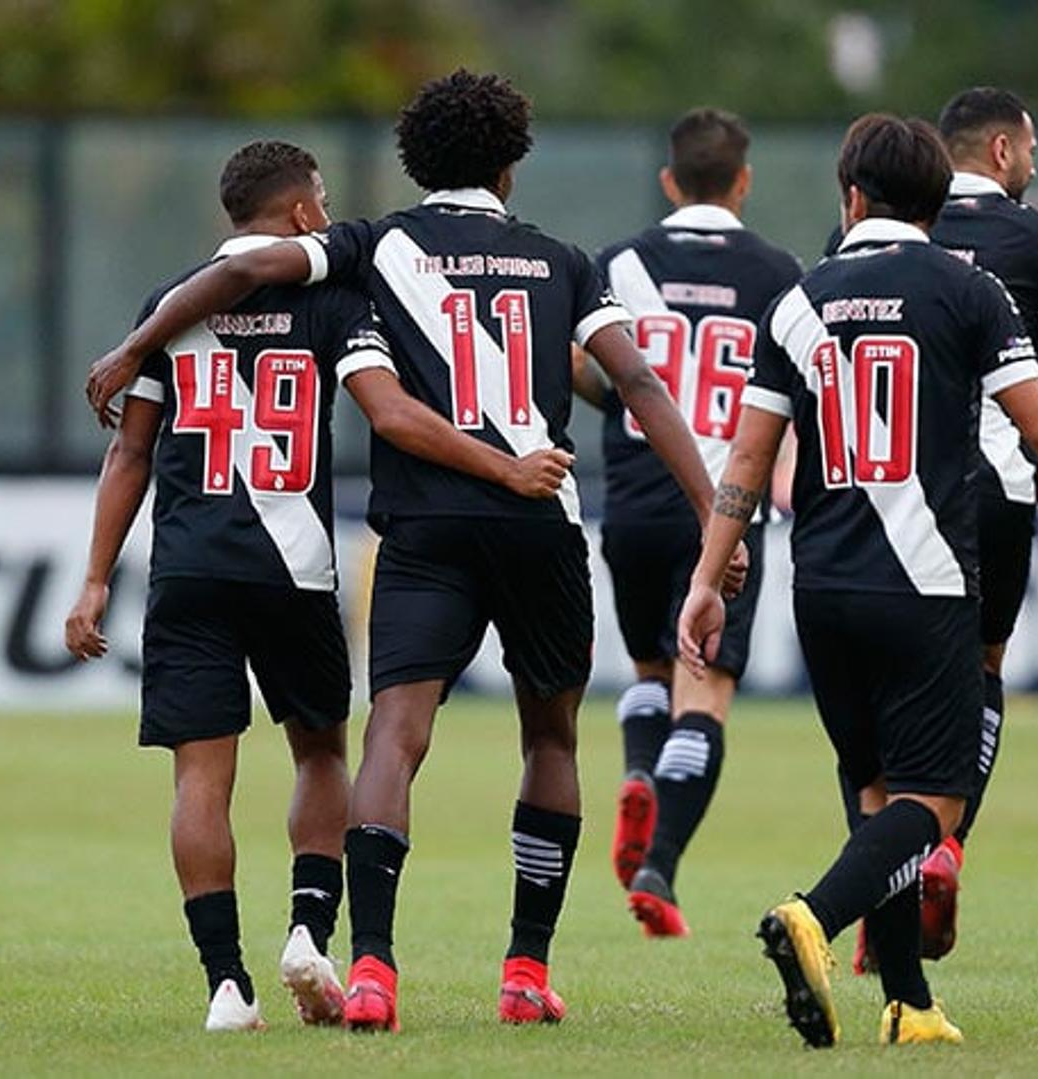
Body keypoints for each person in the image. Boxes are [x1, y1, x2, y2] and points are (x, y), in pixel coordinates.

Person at [82, 71, 728, 1031]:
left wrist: (135, 345)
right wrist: (717, 512)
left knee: (394, 732)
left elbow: (248, 269)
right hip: (536, 519)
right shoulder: (563, 260)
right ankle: (525, 969)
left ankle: (375, 967)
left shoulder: (374, 247)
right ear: (512, 163)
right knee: (549, 738)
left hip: (422, 531)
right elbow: (636, 383)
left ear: (413, 160)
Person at [63, 140, 574, 1032]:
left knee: (199, 778)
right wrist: (504, 465)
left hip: (188, 567)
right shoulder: (333, 300)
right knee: (323, 755)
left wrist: (95, 580)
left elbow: (129, 453)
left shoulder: (167, 306)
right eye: (324, 200)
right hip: (294, 570)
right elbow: (389, 410)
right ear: (301, 213)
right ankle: (309, 929)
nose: (330, 212)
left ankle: (227, 983)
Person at [678, 114, 1038, 1048]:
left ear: (849, 196)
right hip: (929, 581)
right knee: (932, 803)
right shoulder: (967, 290)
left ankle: (907, 1000)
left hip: (820, 586)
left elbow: (748, 456)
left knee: (873, 793)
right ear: (937, 203)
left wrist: (707, 578)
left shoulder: (799, 297)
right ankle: (813, 915)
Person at [849, 86, 1038, 970]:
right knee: (978, 671)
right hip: (997, 489)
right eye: (1035, 148)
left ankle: (880, 902)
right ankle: (945, 844)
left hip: (882, 494)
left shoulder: (852, 241)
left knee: (879, 691)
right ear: (1004, 152)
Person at [573, 107, 802, 937]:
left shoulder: (622, 262)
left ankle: (638, 769)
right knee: (703, 691)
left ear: (670, 180)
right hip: (727, 513)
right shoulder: (779, 273)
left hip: (635, 497)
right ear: (742, 181)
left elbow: (585, 369)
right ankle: (661, 864)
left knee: (648, 667)